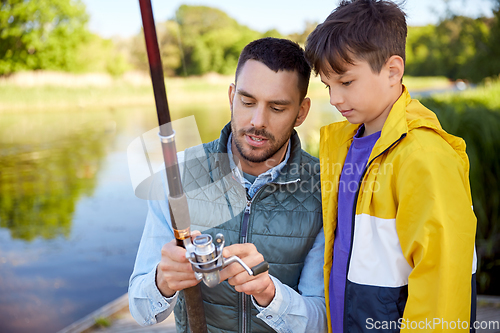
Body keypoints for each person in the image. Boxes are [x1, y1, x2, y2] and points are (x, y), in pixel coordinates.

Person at [128, 37, 327, 333]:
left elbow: (322, 321)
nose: (257, 121)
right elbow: (141, 312)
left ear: (301, 112)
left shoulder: (325, 188)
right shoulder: (178, 173)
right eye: (247, 102)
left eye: (277, 107)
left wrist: (269, 293)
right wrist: (163, 281)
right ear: (231, 96)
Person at [304, 1, 477, 332]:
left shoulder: (424, 155)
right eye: (328, 86)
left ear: (392, 71)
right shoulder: (344, 146)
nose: (334, 99)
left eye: (346, 82)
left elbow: (442, 281)